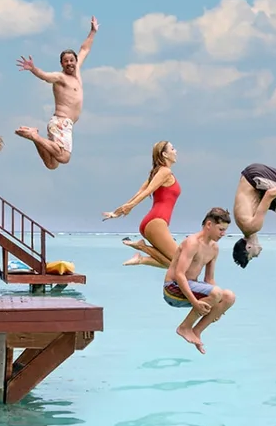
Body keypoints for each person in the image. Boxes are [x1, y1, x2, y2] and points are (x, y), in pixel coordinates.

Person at [15, 16, 98, 169]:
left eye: (71, 60)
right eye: (66, 61)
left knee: (52, 164)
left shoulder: (77, 71)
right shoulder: (60, 77)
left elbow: (85, 49)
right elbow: (45, 76)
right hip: (61, 122)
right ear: (61, 64)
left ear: (75, 61)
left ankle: (34, 137)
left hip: (65, 124)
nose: (69, 63)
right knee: (65, 157)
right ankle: (34, 135)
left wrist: (93, 31)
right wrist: (33, 69)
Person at [162, 207, 237, 354]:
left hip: (190, 288)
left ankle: (196, 331)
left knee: (229, 297)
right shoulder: (192, 243)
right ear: (209, 225)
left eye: (225, 230)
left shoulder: (214, 248)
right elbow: (179, 274)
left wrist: (218, 309)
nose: (223, 234)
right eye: (221, 229)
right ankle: (184, 327)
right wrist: (195, 303)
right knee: (216, 293)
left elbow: (209, 279)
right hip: (173, 288)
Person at [102, 141, 181, 268]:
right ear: (165, 154)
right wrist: (129, 206)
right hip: (156, 221)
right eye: (172, 148)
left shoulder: (158, 173)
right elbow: (147, 192)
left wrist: (120, 210)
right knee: (181, 262)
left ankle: (142, 258)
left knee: (175, 265)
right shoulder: (165, 172)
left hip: (153, 222)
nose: (175, 151)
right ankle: (142, 248)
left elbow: (141, 192)